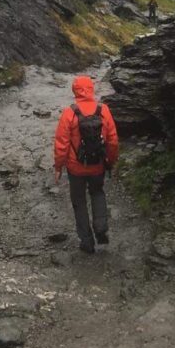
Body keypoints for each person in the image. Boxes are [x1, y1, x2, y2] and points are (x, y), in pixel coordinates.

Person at [53, 76, 119, 253]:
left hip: (75, 168)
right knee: (97, 192)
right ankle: (101, 227)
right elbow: (112, 141)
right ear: (92, 89)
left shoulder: (69, 112)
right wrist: (110, 161)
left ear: (75, 91)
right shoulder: (103, 109)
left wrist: (58, 167)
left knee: (79, 201)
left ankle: (87, 242)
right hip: (97, 165)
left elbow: (61, 144)